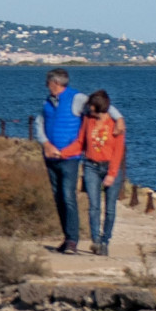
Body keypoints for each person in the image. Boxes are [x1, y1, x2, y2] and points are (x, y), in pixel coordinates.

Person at [33, 68, 125, 254]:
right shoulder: (48, 102)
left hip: (72, 160)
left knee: (69, 197)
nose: (46, 86)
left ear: (56, 83)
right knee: (60, 198)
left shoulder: (77, 99)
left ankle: (82, 241)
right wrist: (45, 144)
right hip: (53, 157)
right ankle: (71, 238)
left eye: (48, 82)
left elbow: (102, 105)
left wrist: (119, 117)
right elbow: (38, 122)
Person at [59, 91, 125, 256]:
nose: (89, 110)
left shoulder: (115, 125)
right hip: (90, 166)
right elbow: (80, 142)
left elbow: (118, 151)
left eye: (92, 107)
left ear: (99, 108)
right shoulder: (88, 120)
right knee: (94, 206)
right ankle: (95, 241)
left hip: (110, 167)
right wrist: (62, 153)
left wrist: (112, 173)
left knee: (110, 208)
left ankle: (105, 240)